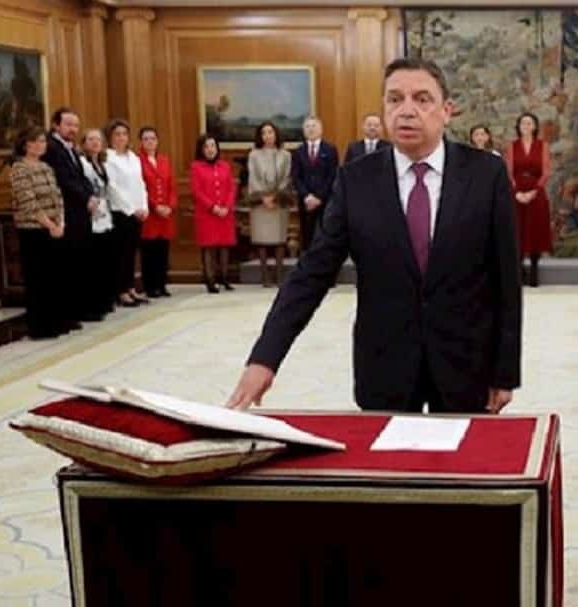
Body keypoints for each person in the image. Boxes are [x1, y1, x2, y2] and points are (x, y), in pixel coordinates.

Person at [228, 57, 521, 419]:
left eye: (422, 99)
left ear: (447, 111)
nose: (406, 111)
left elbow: (507, 280)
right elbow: (312, 274)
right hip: (386, 366)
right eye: (395, 99)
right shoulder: (356, 181)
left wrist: (505, 372)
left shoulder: (486, 174)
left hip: (468, 365)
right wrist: (265, 358)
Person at [41, 107, 97, 326]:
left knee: (81, 261)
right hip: (67, 212)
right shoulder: (52, 148)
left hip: (81, 212)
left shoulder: (71, 149)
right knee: (69, 263)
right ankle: (70, 312)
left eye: (76, 125)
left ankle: (82, 308)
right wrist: (85, 198)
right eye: (68, 124)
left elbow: (81, 177)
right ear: (56, 125)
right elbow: (64, 180)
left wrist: (90, 196)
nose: (73, 129)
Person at [9, 127, 66, 339]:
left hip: (53, 228)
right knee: (37, 278)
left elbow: (57, 196)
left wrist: (60, 222)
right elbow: (28, 202)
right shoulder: (19, 168)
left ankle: (55, 321)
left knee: (53, 277)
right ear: (26, 144)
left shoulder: (46, 167)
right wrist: (49, 225)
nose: (42, 145)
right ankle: (39, 326)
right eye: (38, 141)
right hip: (33, 230)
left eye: (43, 141)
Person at [104, 118, 149, 308]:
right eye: (117, 134)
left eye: (124, 134)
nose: (121, 138)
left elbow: (140, 184)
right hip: (121, 211)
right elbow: (113, 187)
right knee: (121, 253)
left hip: (138, 212)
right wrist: (131, 209)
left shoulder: (133, 157)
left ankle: (130, 287)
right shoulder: (108, 157)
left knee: (132, 252)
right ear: (110, 137)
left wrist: (144, 207)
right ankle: (121, 290)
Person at [506, 113, 553, 287]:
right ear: (518, 127)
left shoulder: (543, 146)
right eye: (523, 123)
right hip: (516, 194)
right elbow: (509, 172)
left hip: (536, 193)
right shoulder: (512, 146)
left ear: (535, 126)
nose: (526, 126)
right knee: (517, 231)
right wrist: (516, 192)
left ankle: (534, 271)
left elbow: (546, 172)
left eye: (529, 123)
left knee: (536, 232)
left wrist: (534, 192)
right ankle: (519, 272)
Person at [248, 121, 293, 287]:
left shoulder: (285, 155)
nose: (267, 136)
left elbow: (287, 177)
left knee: (279, 239)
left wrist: (275, 196)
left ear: (276, 134)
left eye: (270, 132)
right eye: (264, 133)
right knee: (262, 239)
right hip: (260, 202)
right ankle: (265, 276)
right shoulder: (254, 155)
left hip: (278, 201)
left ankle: (280, 275)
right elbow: (253, 177)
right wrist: (263, 198)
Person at [191, 134, 237, 293]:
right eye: (206, 146)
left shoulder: (224, 166)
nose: (210, 149)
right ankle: (210, 280)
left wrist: (227, 207)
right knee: (209, 247)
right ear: (201, 150)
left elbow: (231, 188)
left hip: (225, 213)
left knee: (224, 246)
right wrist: (213, 207)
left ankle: (224, 278)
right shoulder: (196, 167)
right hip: (207, 214)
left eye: (212, 146)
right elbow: (197, 192)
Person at [78, 128, 116, 318]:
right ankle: (92, 305)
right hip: (90, 215)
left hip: (104, 214)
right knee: (93, 262)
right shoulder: (82, 163)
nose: (95, 143)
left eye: (98, 140)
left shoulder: (101, 163)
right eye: (91, 139)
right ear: (84, 143)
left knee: (105, 260)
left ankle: (105, 300)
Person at [290, 115, 338, 255]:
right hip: (305, 201)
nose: (311, 129)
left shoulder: (330, 150)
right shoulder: (298, 152)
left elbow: (332, 176)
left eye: (314, 126)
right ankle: (307, 263)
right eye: (308, 127)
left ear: (321, 129)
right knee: (307, 236)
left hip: (325, 201)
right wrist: (307, 196)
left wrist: (319, 197)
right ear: (303, 131)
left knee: (325, 235)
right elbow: (295, 177)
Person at [138, 126, 177, 298]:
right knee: (149, 251)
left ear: (157, 141)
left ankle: (162, 284)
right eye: (146, 139)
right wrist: (155, 206)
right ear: (141, 142)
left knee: (163, 250)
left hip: (165, 215)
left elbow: (171, 187)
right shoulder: (138, 161)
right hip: (150, 214)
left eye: (152, 138)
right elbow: (140, 188)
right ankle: (150, 286)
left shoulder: (164, 160)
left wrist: (170, 206)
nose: (150, 142)